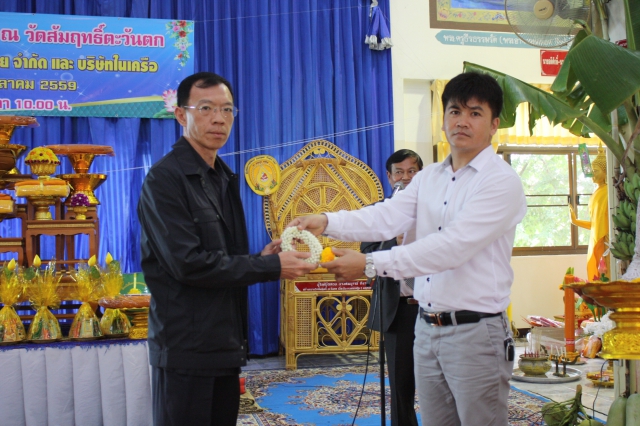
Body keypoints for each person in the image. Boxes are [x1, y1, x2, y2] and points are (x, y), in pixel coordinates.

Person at [288, 72, 527, 426]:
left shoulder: (501, 181)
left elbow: (450, 248)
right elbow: (386, 216)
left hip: (476, 333)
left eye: (475, 113)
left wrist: (370, 263)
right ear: (443, 119)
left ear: (494, 125)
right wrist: (326, 221)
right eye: (454, 111)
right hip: (426, 329)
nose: (462, 121)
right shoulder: (429, 177)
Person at [137, 72, 316, 426]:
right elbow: (188, 264)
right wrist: (272, 268)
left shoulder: (222, 175)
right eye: (205, 109)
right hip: (186, 347)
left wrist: (262, 258)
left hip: (224, 343)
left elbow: (225, 257)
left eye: (227, 109)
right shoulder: (164, 179)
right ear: (181, 115)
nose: (219, 119)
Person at [363, 149, 422, 426]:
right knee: (401, 384)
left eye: (412, 171)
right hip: (398, 309)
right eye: (399, 172)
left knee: (442, 380)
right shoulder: (380, 213)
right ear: (389, 177)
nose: (405, 177)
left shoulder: (435, 211)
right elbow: (366, 254)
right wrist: (393, 241)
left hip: (434, 307)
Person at [569, 145, 609, 281]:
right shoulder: (596, 193)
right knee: (596, 277)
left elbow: (605, 223)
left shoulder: (608, 193)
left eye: (596, 170)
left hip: (605, 242)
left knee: (605, 277)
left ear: (606, 172)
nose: (592, 173)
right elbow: (595, 224)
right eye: (592, 170)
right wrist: (575, 221)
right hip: (595, 241)